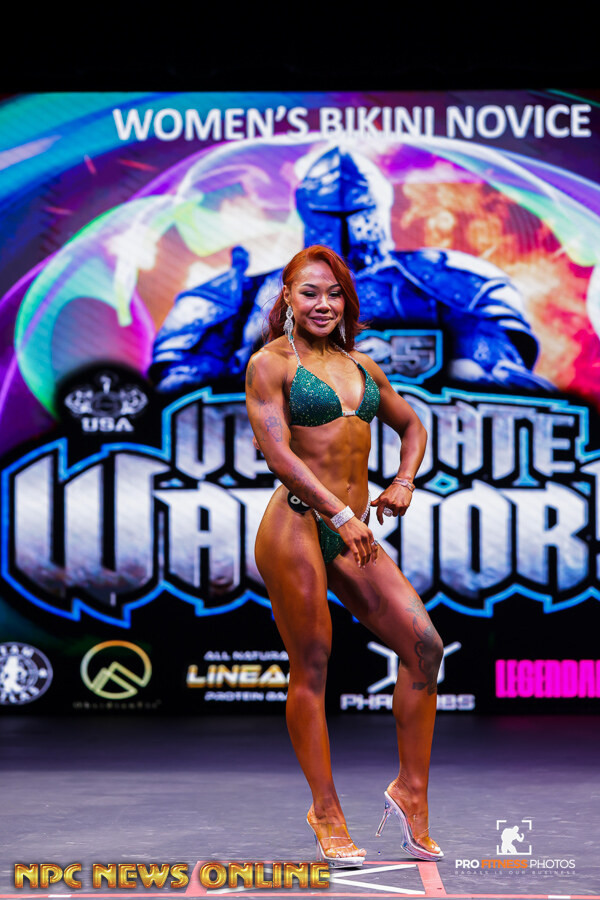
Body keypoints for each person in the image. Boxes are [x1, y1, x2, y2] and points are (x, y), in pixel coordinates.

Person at [245, 244, 444, 868]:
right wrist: (338, 514)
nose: (323, 303)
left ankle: (410, 794)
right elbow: (280, 455)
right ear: (288, 297)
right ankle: (326, 812)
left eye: (334, 293)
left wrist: (404, 480)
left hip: (353, 528)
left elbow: (413, 427)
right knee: (312, 664)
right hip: (300, 524)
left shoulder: (362, 365)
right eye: (309, 292)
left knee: (425, 647)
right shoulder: (271, 364)